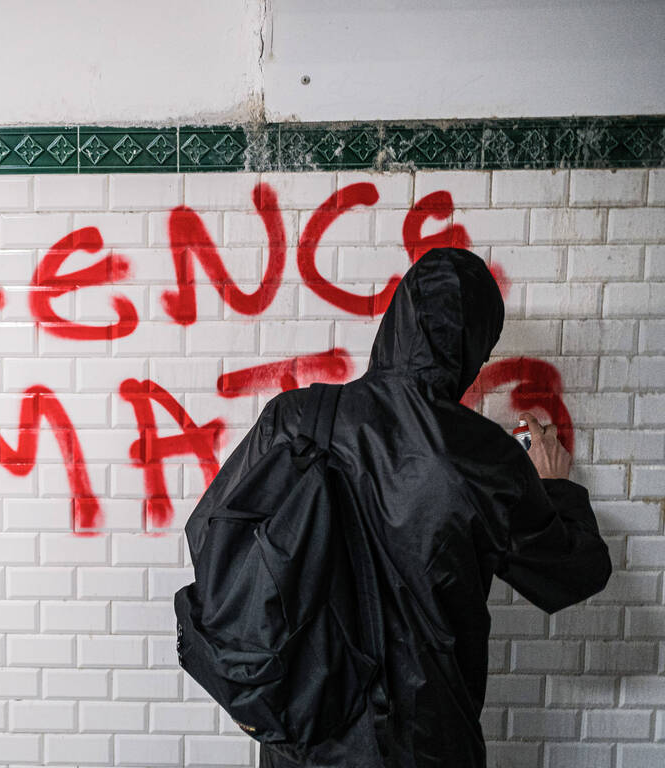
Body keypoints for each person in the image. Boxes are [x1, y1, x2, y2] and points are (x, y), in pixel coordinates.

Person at [245, 247, 612, 767]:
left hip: (301, 738)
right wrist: (557, 488)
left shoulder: (296, 417)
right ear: (471, 348)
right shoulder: (486, 458)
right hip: (425, 745)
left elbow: (223, 538)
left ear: (396, 325)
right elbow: (577, 572)